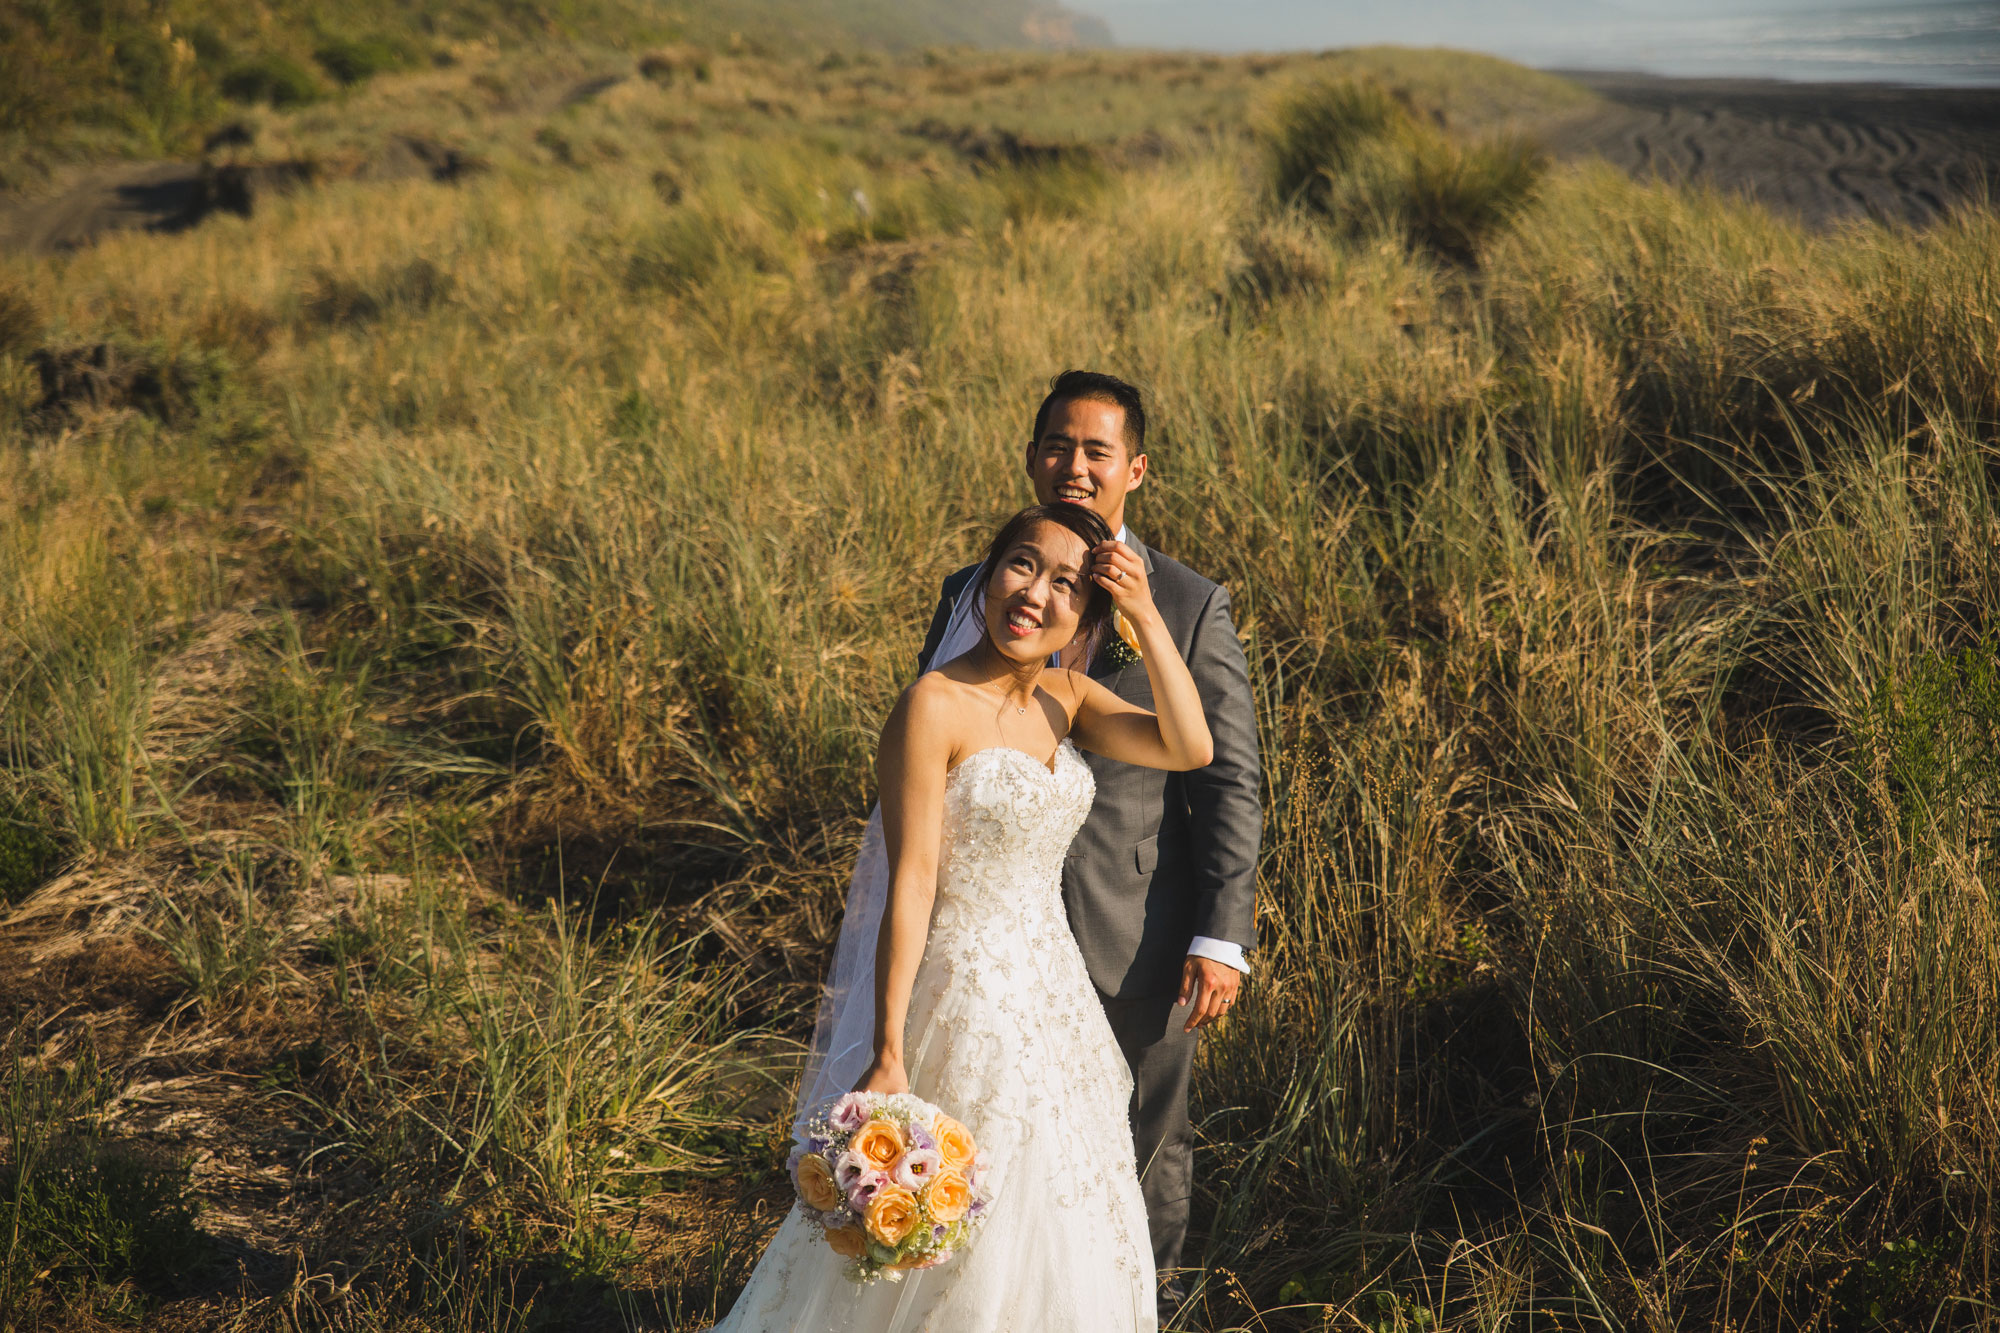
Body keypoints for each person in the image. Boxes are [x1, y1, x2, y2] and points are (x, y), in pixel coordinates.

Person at [712, 501, 1212, 1331]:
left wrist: (1147, 615)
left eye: (1064, 584)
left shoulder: (1070, 697)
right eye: (1021, 564)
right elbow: (911, 880)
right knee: (969, 1212)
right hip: (966, 990)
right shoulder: (932, 704)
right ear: (987, 575)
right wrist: (887, 1048)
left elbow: (1190, 745)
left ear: (1087, 612)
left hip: (1056, 996)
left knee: (1069, 1203)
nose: (1034, 593)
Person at [917, 371, 1260, 1314]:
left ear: (1134, 469)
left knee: (1142, 1152)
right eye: (1058, 448)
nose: (1075, 467)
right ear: (1032, 457)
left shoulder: (1188, 602)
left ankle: (1146, 1309)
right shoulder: (971, 589)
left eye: (1096, 451)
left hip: (1131, 930)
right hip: (988, 936)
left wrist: (1221, 933)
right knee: (989, 1155)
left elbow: (1224, 772)